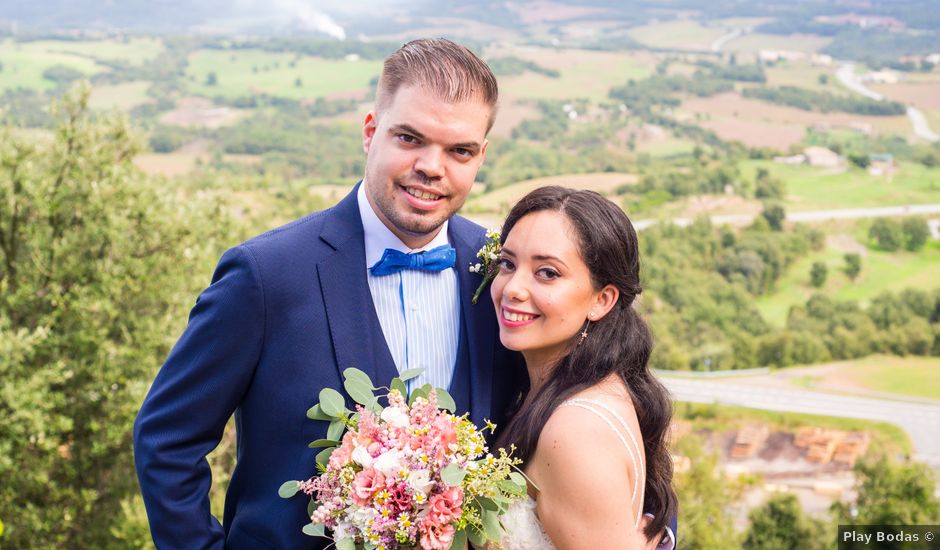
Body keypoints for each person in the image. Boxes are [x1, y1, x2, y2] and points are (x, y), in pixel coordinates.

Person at [133, 38, 524, 549]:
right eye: (409, 138)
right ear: (370, 132)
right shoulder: (266, 275)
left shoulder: (499, 273)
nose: (433, 166)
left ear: (481, 156)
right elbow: (167, 440)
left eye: (460, 150)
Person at [490, 186, 678, 550]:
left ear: (602, 299)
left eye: (547, 273)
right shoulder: (583, 386)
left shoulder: (574, 432)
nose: (513, 288)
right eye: (508, 264)